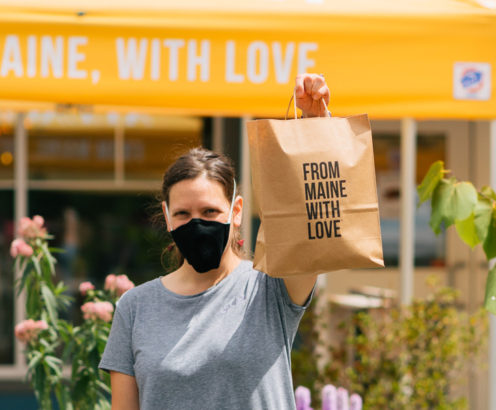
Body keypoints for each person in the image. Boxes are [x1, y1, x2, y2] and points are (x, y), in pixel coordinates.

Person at [98, 74, 331, 409]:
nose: (196, 224)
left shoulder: (270, 287)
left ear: (236, 211)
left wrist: (315, 127)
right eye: (182, 214)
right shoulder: (135, 309)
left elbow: (311, 225)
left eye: (209, 211)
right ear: (166, 216)